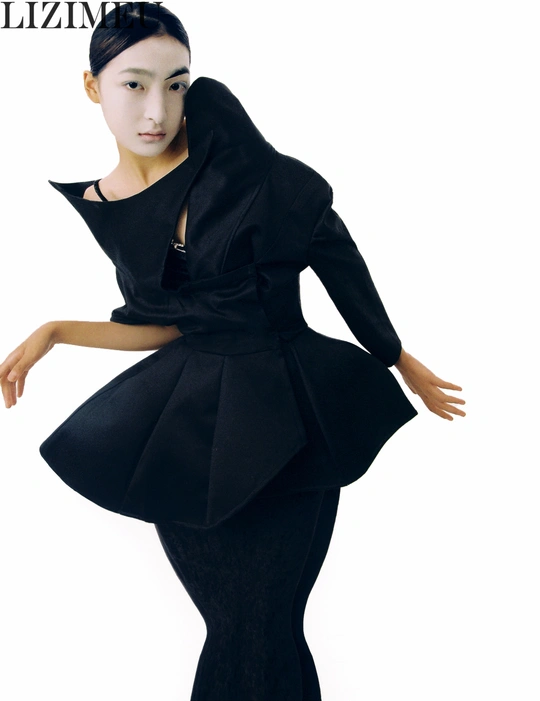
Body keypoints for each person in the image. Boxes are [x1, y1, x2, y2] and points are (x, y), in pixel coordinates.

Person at [0, 3, 466, 700]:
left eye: (176, 84)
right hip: (188, 425)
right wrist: (57, 331)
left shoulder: (249, 166)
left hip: (291, 409)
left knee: (265, 625)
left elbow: (335, 253)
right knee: (242, 626)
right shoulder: (109, 202)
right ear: (92, 86)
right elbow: (168, 324)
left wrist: (396, 354)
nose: (157, 109)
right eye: (133, 84)